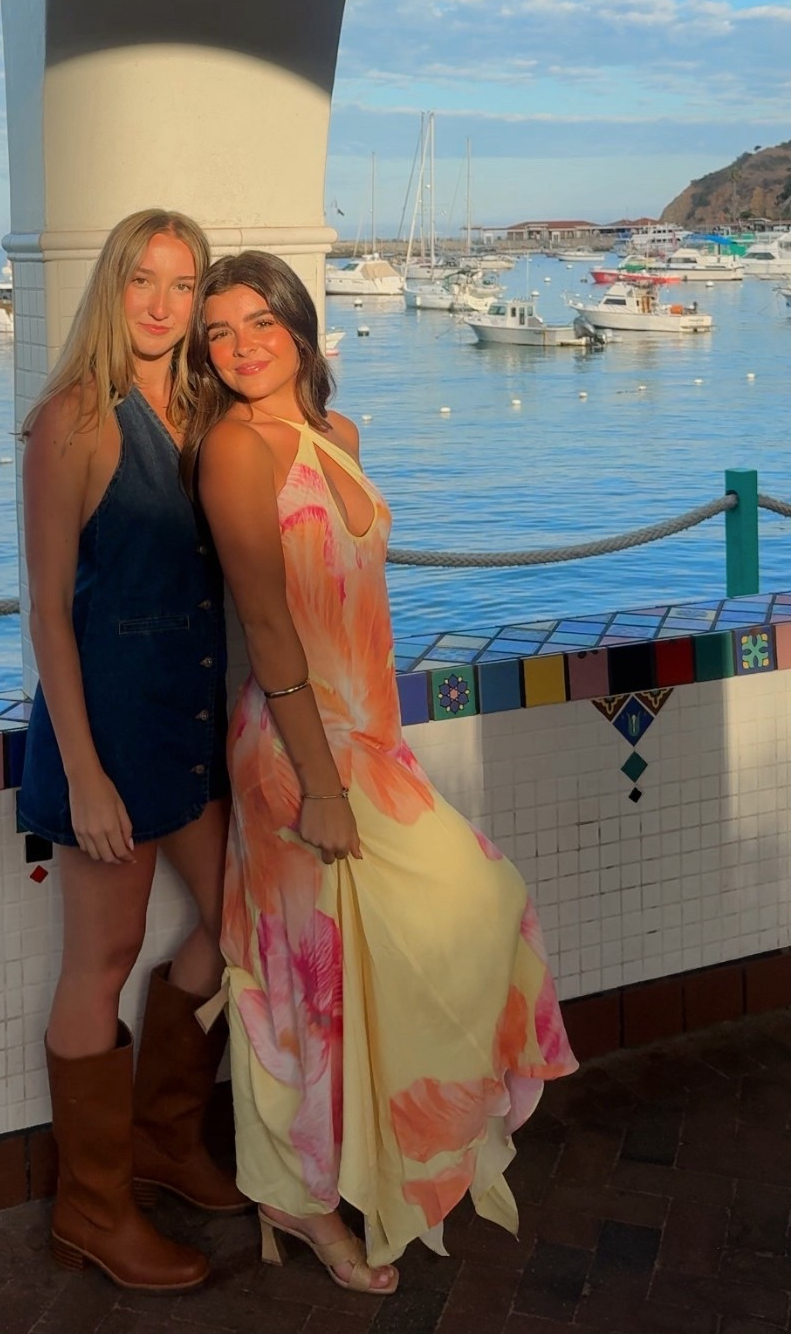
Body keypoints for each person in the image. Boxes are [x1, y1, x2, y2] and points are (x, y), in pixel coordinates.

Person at [185, 250, 576, 1295]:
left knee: (468, 906)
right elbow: (269, 623)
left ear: (299, 325)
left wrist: (368, 754)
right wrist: (319, 785)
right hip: (295, 750)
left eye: (259, 321)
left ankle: (357, 1163)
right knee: (309, 984)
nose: (240, 346)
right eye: (218, 333)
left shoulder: (337, 435)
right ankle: (298, 1198)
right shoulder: (232, 449)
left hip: (369, 740)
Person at [18, 209, 249, 1294]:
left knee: (239, 921)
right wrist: (86, 772)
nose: (161, 303)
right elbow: (48, 611)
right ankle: (93, 1208)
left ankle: (162, 1140)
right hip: (106, 733)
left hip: (189, 724)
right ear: (112, 287)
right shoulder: (71, 419)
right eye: (141, 279)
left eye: (181, 283)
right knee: (100, 961)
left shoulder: (201, 412)